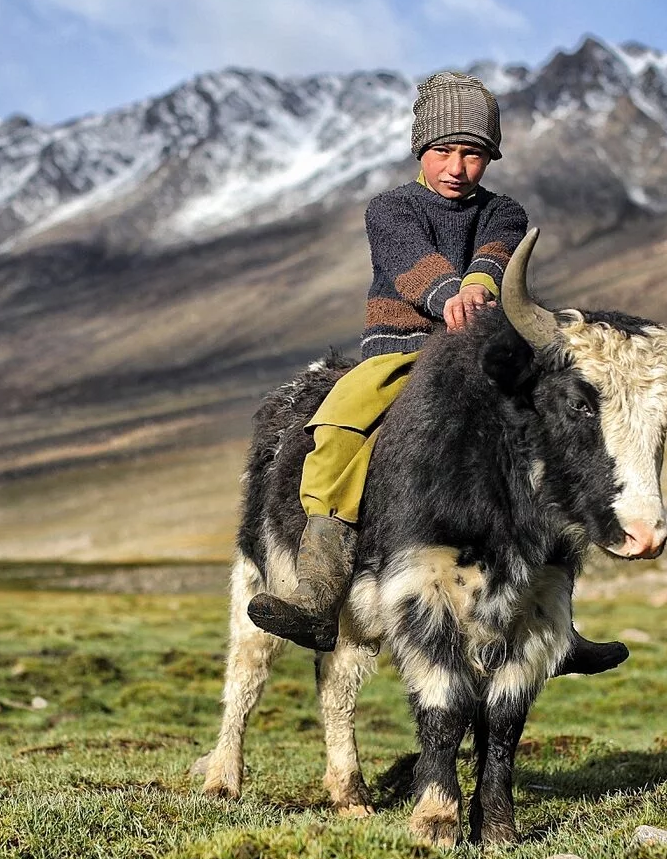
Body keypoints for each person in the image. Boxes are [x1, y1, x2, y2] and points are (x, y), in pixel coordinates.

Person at [246, 71, 629, 679]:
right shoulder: (391, 208)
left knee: (542, 448)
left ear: (490, 158)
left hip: (477, 358)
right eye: (444, 150)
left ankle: (556, 616)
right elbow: (406, 263)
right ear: (421, 149)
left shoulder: (505, 212)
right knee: (341, 427)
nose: (457, 166)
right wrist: (447, 292)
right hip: (397, 353)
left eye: (473, 153)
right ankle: (320, 591)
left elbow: (497, 260)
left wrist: (477, 288)